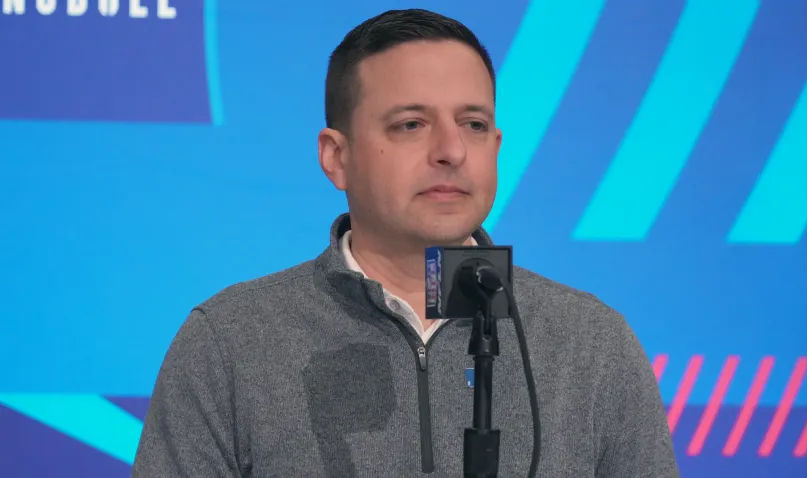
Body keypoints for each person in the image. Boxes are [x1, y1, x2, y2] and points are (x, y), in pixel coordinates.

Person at [132, 8, 679, 477]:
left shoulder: (591, 343)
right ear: (336, 157)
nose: (451, 151)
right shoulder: (229, 342)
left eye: (473, 124)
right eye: (412, 124)